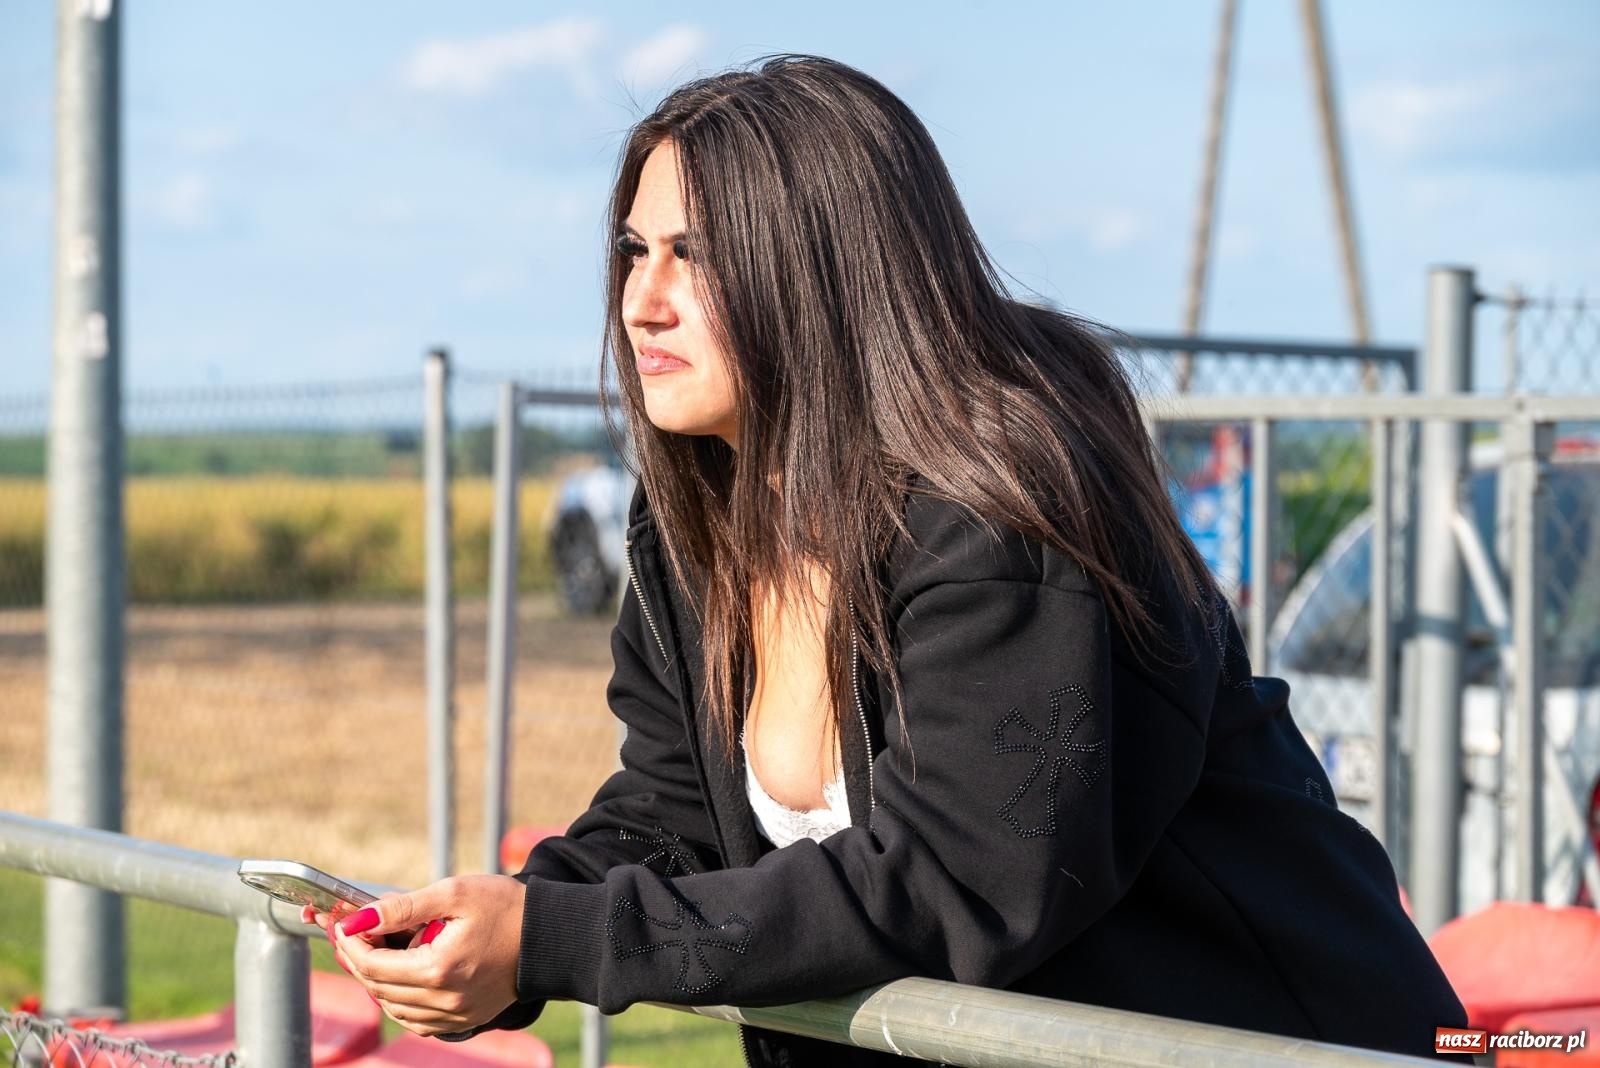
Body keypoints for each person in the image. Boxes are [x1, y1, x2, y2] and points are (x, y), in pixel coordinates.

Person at [308, 54, 1467, 1064]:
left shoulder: (1003, 503)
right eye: (631, 249)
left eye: (694, 255)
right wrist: (506, 932)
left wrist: (563, 940)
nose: (640, 302)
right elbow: (677, 815)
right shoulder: (696, 518)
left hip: (1281, 1048)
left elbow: (959, 887)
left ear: (824, 268)